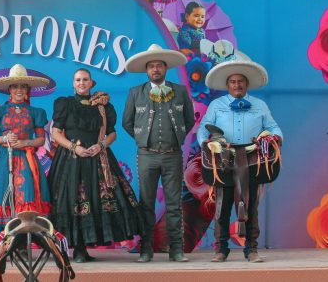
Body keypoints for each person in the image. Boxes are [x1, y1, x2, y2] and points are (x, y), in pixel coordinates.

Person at [48, 68, 142, 263]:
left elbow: (112, 133)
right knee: (74, 200)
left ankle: (86, 247)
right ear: (73, 84)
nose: (81, 83)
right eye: (78, 80)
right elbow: (55, 133)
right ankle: (77, 249)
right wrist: (74, 148)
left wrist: (101, 146)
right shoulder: (65, 104)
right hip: (71, 160)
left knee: (97, 200)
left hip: (98, 158)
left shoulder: (103, 106)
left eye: (85, 79)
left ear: (92, 83)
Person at [197, 59, 283, 263]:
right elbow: (203, 128)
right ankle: (221, 249)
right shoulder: (216, 105)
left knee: (251, 203)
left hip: (251, 155)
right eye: (233, 81)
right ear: (228, 85)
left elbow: (273, 127)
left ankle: (251, 249)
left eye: (241, 81)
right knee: (221, 205)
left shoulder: (260, 105)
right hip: (224, 156)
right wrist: (205, 143)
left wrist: (275, 138)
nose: (237, 85)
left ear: (247, 84)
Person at [122, 44, 195, 262]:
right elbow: (127, 122)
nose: (155, 70)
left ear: (166, 68)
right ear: (146, 70)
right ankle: (146, 249)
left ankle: (176, 249)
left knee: (174, 204)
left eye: (159, 66)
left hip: (173, 154)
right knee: (146, 203)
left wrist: (177, 138)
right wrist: (142, 139)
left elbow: (189, 120)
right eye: (151, 66)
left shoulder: (180, 91)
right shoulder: (136, 92)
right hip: (147, 155)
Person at [0, 64, 51, 247]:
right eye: (15, 86)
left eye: (22, 86)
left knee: (25, 195)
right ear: (9, 89)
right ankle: (3, 241)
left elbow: (41, 140)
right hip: (2, 158)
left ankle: (22, 240)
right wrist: (4, 138)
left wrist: (25, 143)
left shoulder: (36, 112)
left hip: (26, 159)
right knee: (0, 193)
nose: (19, 90)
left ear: (27, 90)